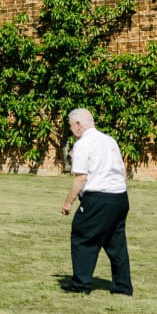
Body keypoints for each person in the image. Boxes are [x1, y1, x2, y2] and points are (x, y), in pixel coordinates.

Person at [60, 108, 132, 295]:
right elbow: (122, 170)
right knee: (116, 243)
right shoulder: (109, 140)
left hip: (98, 197)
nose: (71, 130)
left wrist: (68, 202)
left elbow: (81, 178)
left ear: (78, 124)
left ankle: (81, 284)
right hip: (119, 197)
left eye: (71, 126)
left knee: (83, 237)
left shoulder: (83, 144)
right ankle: (123, 287)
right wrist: (120, 191)